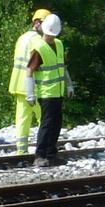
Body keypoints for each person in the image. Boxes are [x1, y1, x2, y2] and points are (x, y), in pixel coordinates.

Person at [25, 13, 74, 167]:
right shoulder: (39, 48)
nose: (51, 37)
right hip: (46, 93)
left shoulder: (59, 44)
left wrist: (69, 84)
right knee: (46, 124)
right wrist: (30, 93)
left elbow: (63, 67)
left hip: (58, 92)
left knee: (56, 123)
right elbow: (29, 71)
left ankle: (52, 154)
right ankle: (39, 155)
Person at [8, 8, 49, 155]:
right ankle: (44, 148)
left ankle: (21, 150)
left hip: (19, 85)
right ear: (37, 23)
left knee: (22, 119)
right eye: (46, 23)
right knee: (44, 118)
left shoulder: (22, 37)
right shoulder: (37, 40)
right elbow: (36, 66)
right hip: (33, 86)